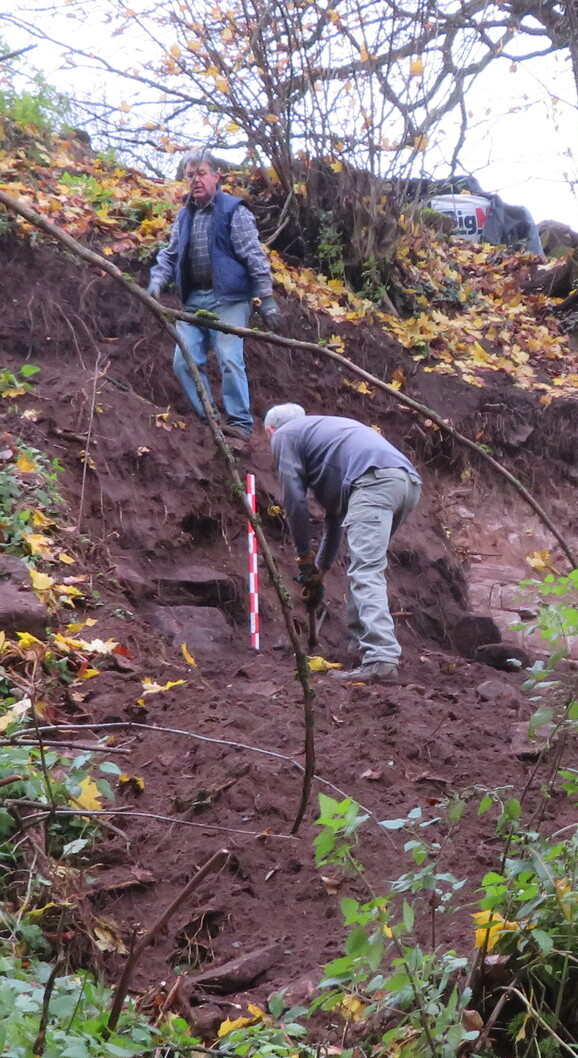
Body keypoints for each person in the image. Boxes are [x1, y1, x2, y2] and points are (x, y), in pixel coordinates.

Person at [262, 402, 421, 683]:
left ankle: (381, 658)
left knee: (366, 570)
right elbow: (335, 519)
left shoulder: (284, 435)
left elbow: (294, 500)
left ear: (271, 430)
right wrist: (320, 572)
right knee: (363, 564)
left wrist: (303, 559)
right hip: (405, 483)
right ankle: (360, 646)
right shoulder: (325, 438)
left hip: (373, 482)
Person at [147, 154, 280, 437]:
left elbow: (252, 254)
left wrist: (266, 298)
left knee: (229, 357)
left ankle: (240, 424)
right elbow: (170, 255)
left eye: (201, 173)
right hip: (194, 299)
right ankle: (209, 418)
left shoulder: (234, 210)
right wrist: (157, 281)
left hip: (230, 298)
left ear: (216, 177)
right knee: (183, 361)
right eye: (190, 175)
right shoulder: (185, 215)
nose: (195, 180)